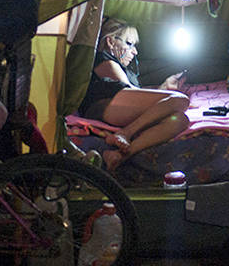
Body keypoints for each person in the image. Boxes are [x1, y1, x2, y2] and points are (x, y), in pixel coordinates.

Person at [79, 18, 188, 171]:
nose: (135, 51)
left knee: (181, 120)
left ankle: (119, 155)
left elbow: (138, 100)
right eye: (129, 44)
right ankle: (125, 133)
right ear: (110, 42)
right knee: (181, 101)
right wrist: (166, 96)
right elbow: (130, 92)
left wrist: (163, 89)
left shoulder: (124, 69)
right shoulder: (105, 61)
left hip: (120, 106)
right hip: (104, 105)